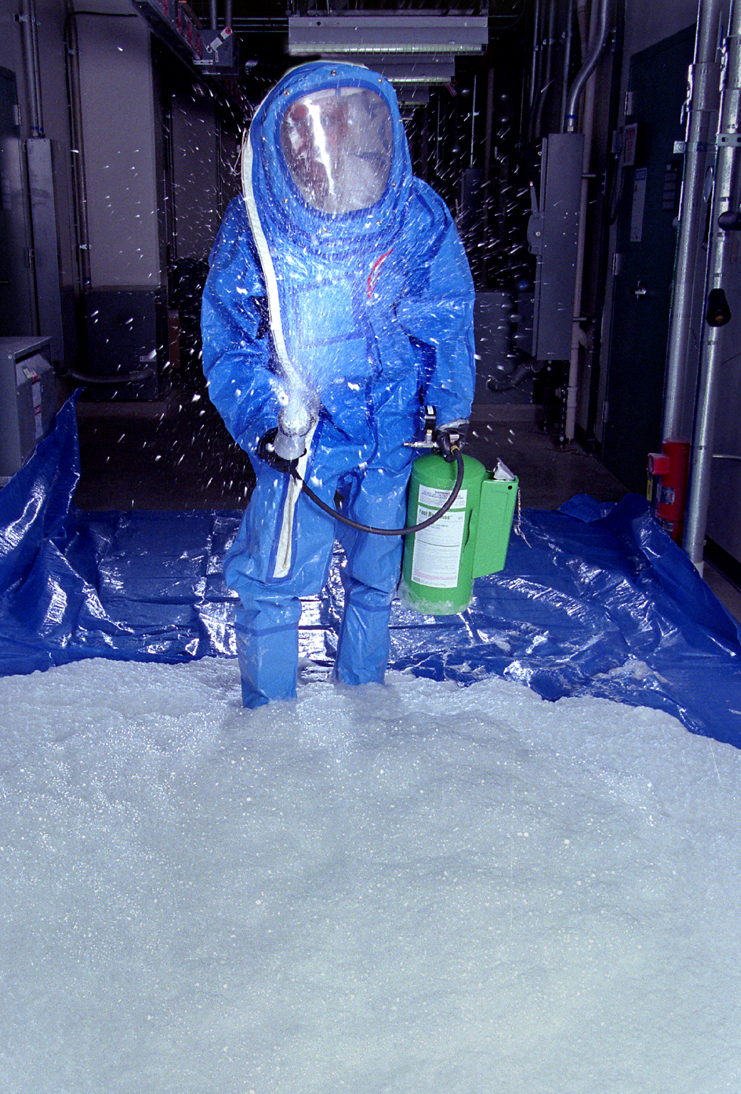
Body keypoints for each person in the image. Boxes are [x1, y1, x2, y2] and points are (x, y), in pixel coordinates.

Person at [201, 60, 475, 708]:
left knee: (375, 577)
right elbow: (232, 340)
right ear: (281, 144)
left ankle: (365, 705)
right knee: (272, 579)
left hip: (392, 430)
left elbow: (443, 316)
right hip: (303, 433)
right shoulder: (257, 225)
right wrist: (264, 419)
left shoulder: (414, 213)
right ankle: (268, 725)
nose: (334, 156)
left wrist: (446, 410)